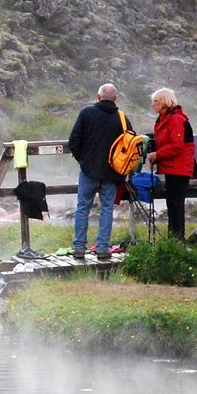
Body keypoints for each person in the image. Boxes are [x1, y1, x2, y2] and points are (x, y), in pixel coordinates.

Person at [67, 82, 128, 261]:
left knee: (83, 208)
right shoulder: (122, 117)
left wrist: (83, 160)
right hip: (111, 173)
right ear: (115, 98)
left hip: (89, 170)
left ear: (98, 96)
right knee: (107, 209)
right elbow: (130, 145)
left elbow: (74, 141)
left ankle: (79, 248)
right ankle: (102, 248)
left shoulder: (86, 113)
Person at [147, 87, 195, 239]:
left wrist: (158, 154)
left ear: (164, 102)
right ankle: (173, 239)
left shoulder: (176, 119)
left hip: (179, 168)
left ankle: (177, 240)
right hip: (171, 167)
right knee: (172, 204)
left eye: (155, 101)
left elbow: (177, 145)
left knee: (175, 205)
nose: (153, 104)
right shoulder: (163, 119)